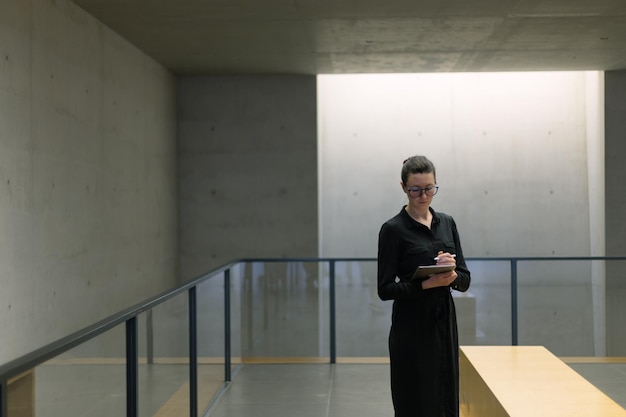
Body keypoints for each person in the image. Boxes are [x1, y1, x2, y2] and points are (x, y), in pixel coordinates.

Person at [377, 155, 471, 417]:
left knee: (445, 393)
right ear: (403, 187)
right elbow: (385, 289)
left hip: (443, 321)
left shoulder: (447, 223)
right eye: (415, 189)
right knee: (415, 398)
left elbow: (465, 278)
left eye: (430, 188)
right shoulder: (392, 230)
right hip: (411, 325)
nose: (423, 195)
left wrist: (451, 274)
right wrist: (426, 284)